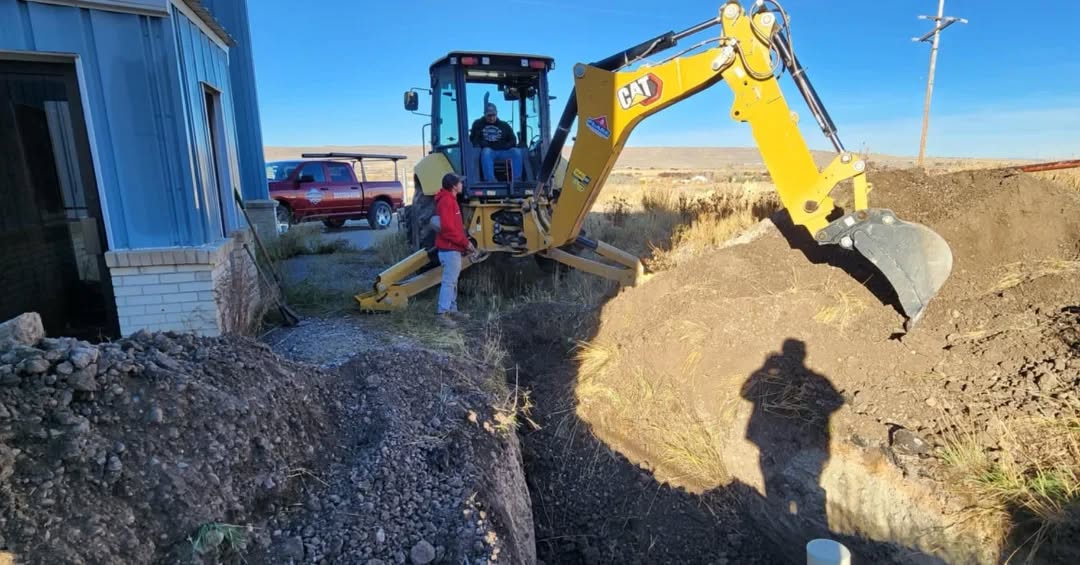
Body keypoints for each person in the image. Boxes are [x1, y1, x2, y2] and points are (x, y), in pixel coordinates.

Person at [433, 172, 475, 325]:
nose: (462, 185)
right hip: (449, 249)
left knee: (453, 281)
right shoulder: (446, 202)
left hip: (453, 248)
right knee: (449, 282)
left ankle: (452, 310)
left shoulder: (451, 200)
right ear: (453, 186)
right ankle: (442, 314)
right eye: (460, 183)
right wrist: (465, 243)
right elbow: (448, 229)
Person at [469, 103, 522, 182]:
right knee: (486, 151)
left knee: (517, 152)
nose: (491, 118)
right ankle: (490, 180)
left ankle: (517, 179)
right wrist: (481, 144)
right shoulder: (478, 124)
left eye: (493, 115)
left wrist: (505, 146)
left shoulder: (504, 125)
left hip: (503, 151)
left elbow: (513, 140)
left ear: (497, 114)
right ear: (484, 114)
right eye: (489, 115)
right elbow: (473, 139)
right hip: (489, 152)